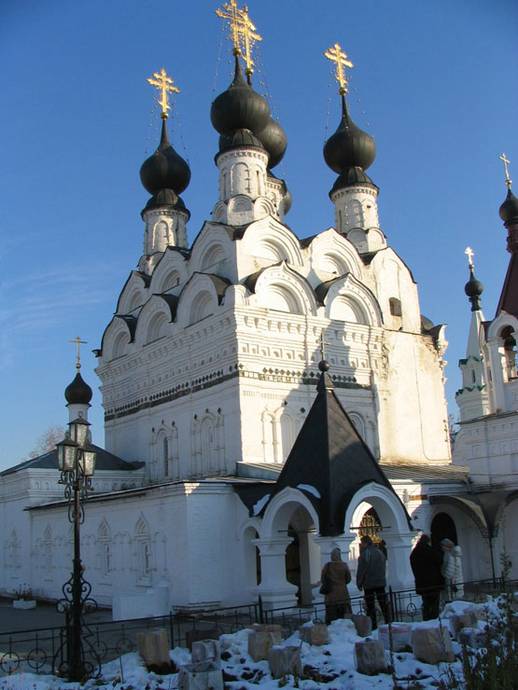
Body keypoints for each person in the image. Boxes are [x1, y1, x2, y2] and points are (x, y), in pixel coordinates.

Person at [356, 535, 390, 629]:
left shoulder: (365, 554)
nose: (361, 545)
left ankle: (373, 625)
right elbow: (383, 566)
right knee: (383, 603)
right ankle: (388, 621)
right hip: (380, 582)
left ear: (366, 543)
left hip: (369, 583)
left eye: (362, 543)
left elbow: (361, 570)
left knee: (370, 605)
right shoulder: (379, 552)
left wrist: (359, 583)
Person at [409, 534, 443, 620]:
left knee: (426, 603)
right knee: (434, 604)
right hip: (433, 582)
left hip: (421, 583)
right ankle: (434, 620)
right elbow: (439, 561)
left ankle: (426, 619)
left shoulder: (414, 553)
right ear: (428, 541)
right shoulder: (430, 551)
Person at [320, 547, 352, 625]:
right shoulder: (344, 565)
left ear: (332, 556)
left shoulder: (327, 566)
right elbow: (348, 579)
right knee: (343, 616)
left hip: (331, 596)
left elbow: (323, 579)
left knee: (332, 617)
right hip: (343, 594)